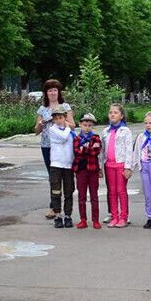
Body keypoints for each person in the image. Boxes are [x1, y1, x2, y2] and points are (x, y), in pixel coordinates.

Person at [34, 80, 74, 219]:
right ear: (46, 93)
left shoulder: (65, 106)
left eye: (55, 90)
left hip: (64, 146)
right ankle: (54, 206)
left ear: (59, 92)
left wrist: (59, 121)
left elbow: (73, 125)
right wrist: (41, 124)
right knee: (53, 177)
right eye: (50, 90)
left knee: (66, 177)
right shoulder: (42, 109)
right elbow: (36, 131)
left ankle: (66, 207)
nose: (52, 93)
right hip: (47, 145)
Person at [101, 103, 134, 227]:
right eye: (110, 112)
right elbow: (102, 151)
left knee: (121, 191)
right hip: (109, 165)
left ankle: (123, 217)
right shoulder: (105, 131)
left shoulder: (125, 131)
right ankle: (114, 216)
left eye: (115, 112)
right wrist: (101, 166)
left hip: (120, 165)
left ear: (121, 116)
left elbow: (128, 149)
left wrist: (128, 167)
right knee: (112, 192)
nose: (112, 114)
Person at [47, 106, 76, 228]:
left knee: (69, 191)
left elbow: (73, 145)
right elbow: (63, 137)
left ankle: (68, 215)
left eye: (61, 117)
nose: (59, 120)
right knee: (56, 191)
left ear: (65, 117)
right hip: (56, 164)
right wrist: (69, 127)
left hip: (68, 165)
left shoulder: (70, 132)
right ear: (53, 119)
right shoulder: (53, 129)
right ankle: (58, 215)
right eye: (56, 118)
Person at [73, 113, 102, 229]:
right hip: (81, 170)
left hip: (93, 170)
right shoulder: (77, 138)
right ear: (80, 125)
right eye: (85, 125)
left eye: (90, 125)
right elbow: (76, 152)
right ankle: (83, 219)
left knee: (94, 196)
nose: (87, 127)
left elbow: (96, 151)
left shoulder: (96, 137)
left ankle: (96, 220)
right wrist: (89, 148)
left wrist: (83, 149)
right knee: (81, 196)